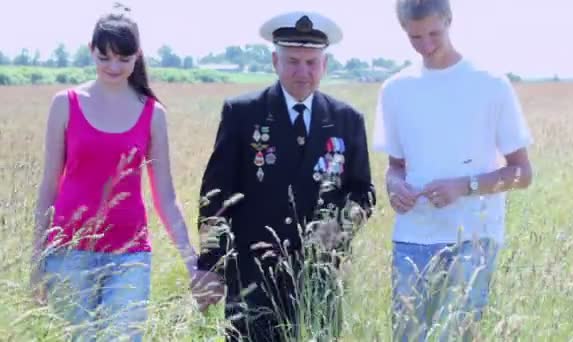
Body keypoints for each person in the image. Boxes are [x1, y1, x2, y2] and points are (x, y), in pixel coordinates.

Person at [193, 11, 376, 342]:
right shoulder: (243, 112)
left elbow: (363, 193)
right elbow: (217, 194)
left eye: (311, 62)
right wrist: (210, 264)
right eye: (293, 61)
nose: (302, 72)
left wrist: (336, 231)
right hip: (252, 276)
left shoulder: (347, 120)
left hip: (320, 274)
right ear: (275, 61)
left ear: (325, 65)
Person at [30, 8, 201, 341]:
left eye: (123, 58)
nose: (113, 66)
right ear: (90, 49)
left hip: (130, 256)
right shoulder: (65, 104)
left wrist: (191, 261)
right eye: (104, 56)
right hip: (68, 254)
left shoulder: (153, 114)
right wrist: (36, 261)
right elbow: (48, 187)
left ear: (137, 56)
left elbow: (165, 195)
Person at [373, 0, 534, 340]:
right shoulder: (395, 89)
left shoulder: (491, 84)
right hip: (412, 237)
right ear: (403, 30)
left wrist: (463, 186)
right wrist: (394, 186)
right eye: (415, 37)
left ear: (450, 20)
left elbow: (522, 173)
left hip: (474, 240)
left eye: (434, 33)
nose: (426, 45)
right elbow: (395, 168)